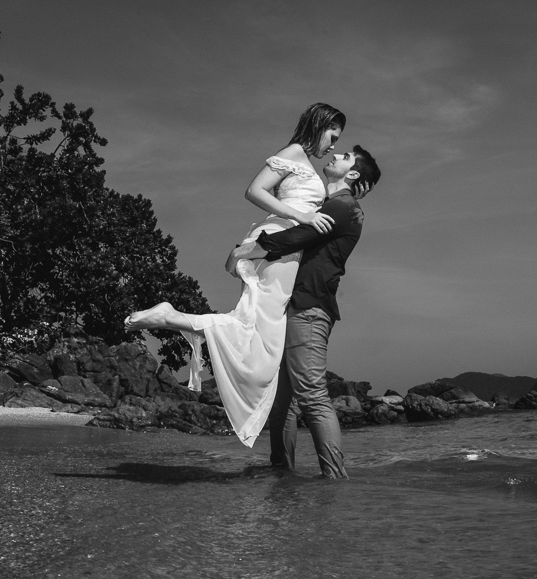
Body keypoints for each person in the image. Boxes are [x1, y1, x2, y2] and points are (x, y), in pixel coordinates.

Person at [123, 103, 349, 446]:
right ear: (319, 125)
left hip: (283, 251)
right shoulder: (293, 153)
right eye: (333, 136)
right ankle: (172, 316)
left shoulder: (304, 163)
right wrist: (302, 218)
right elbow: (254, 191)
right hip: (277, 247)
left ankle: (175, 318)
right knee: (257, 333)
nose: (333, 145)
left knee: (260, 333)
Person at [228, 145, 381, 479]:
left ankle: (334, 479)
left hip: (310, 308)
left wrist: (247, 249)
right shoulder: (331, 205)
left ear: (353, 175)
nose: (335, 154)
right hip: (294, 306)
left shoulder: (343, 206)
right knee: (284, 400)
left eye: (344, 158)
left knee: (312, 395)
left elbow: (295, 238)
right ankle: (282, 474)